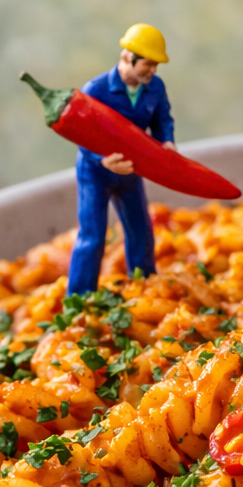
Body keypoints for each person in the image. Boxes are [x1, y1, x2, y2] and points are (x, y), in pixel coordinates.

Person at [67, 24, 175, 296]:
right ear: (128, 57)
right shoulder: (96, 89)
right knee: (92, 236)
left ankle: (144, 288)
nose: (152, 71)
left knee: (141, 230)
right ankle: (79, 298)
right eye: (148, 64)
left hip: (131, 171)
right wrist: (102, 159)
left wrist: (167, 142)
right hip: (95, 173)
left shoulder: (155, 88)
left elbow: (162, 119)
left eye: (155, 66)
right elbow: (80, 132)